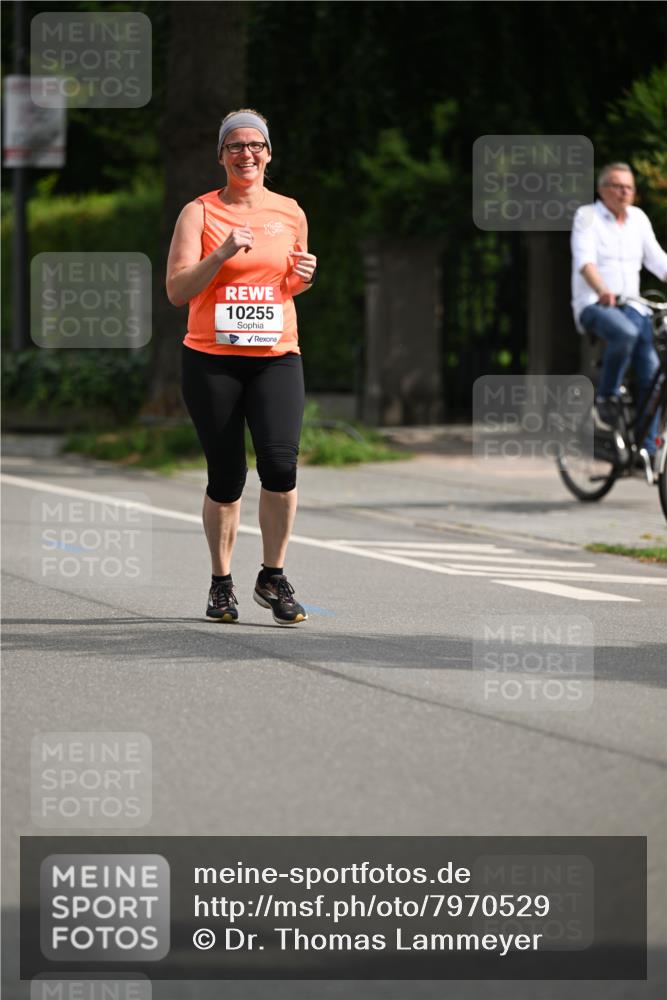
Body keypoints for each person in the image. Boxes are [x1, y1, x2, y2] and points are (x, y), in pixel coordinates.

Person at [166, 109, 317, 625]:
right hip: (212, 360)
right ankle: (221, 583)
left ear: (268, 154)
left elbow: (284, 284)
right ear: (222, 156)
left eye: (255, 145)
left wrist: (303, 277)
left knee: (280, 465)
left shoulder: (291, 212)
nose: (246, 154)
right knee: (227, 476)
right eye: (235, 146)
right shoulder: (200, 213)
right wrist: (222, 253)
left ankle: (272, 576)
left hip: (276, 356)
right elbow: (177, 290)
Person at [570, 162, 667, 463]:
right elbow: (585, 262)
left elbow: (658, 260)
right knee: (623, 333)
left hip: (634, 306)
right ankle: (606, 397)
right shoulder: (587, 217)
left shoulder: (638, 219)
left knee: (653, 372)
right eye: (617, 186)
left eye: (629, 187)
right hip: (596, 305)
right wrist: (601, 289)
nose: (624, 192)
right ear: (602, 190)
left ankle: (646, 449)